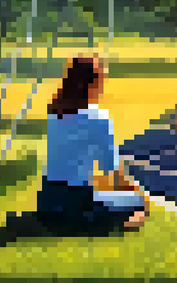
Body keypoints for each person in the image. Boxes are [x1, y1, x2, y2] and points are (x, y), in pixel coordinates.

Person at [36, 54, 150, 233]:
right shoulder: (98, 117)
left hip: (46, 200)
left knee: (107, 197)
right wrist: (136, 192)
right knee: (139, 202)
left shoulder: (55, 112)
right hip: (76, 203)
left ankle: (70, 220)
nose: (103, 88)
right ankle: (117, 225)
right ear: (92, 84)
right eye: (102, 81)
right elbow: (112, 172)